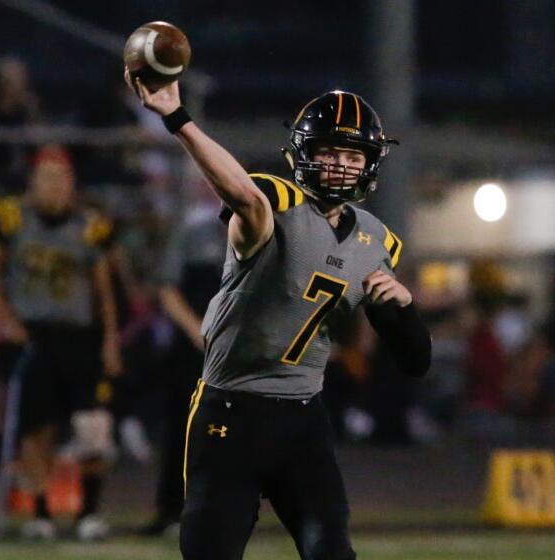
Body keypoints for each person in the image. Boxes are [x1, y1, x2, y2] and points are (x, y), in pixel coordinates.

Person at [126, 70, 432, 560]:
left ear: (368, 165)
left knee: (332, 552)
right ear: (304, 154)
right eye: (329, 152)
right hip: (230, 414)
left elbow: (415, 361)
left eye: (352, 156)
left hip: (303, 421)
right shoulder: (276, 201)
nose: (339, 166)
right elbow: (242, 193)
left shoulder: (377, 242)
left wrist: (403, 311)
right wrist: (178, 118)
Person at [0, 146, 122, 541]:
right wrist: (6, 321)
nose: (54, 187)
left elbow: (103, 289)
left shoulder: (89, 225)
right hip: (33, 334)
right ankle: (41, 512)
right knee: (37, 429)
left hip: (79, 334)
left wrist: (110, 340)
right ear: (32, 182)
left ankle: (88, 512)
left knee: (94, 427)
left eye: (61, 178)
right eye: (46, 178)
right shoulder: (11, 220)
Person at [141, 200, 227, 536]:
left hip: (242, 352)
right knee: (185, 429)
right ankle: (172, 509)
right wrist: (198, 332)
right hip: (195, 350)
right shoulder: (193, 233)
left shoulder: (268, 235)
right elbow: (168, 289)